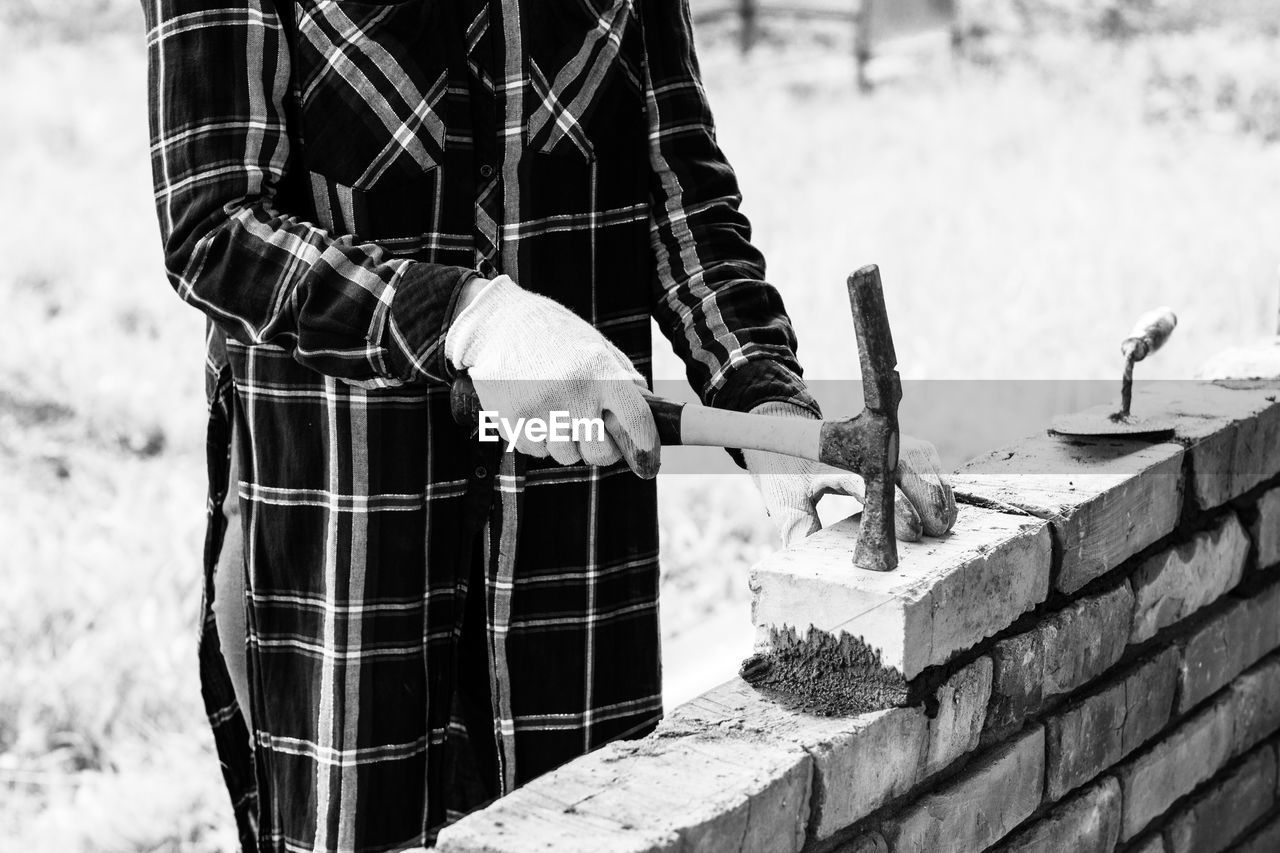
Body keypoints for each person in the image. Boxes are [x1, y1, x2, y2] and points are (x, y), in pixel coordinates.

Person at [141, 1, 956, 850]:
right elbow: (213, 227)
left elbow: (679, 189)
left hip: (569, 568)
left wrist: (765, 404)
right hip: (348, 557)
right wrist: (465, 316)